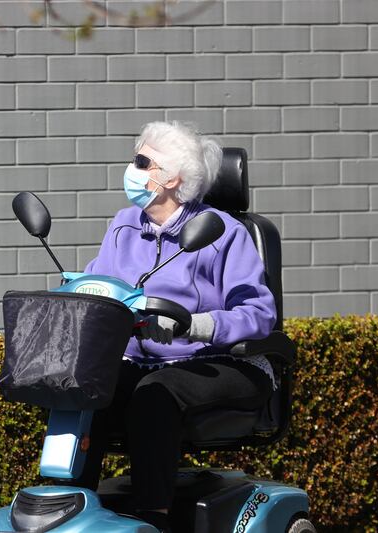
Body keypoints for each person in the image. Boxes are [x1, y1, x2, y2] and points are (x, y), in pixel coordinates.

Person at [76, 121, 276, 532]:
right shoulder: (123, 224)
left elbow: (259, 314)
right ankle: (75, 507)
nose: (132, 168)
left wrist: (196, 325)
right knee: (82, 388)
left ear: (172, 178)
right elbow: (98, 286)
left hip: (218, 361)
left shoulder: (224, 232)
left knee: (155, 395)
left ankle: (154, 519)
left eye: (141, 160)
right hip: (139, 361)